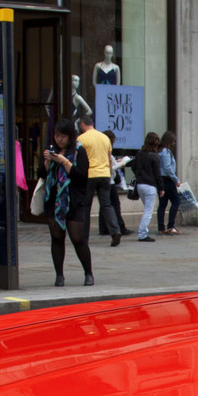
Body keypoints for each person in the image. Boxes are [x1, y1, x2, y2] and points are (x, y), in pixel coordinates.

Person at [42, 119, 95, 286]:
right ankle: (59, 275)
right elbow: (42, 175)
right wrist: (48, 162)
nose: (59, 139)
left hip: (74, 200)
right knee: (57, 238)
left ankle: (88, 272)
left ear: (70, 136)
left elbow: (81, 176)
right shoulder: (52, 151)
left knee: (78, 238)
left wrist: (64, 162)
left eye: (62, 136)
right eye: (56, 135)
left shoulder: (79, 151)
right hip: (55, 200)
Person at [76, 116, 124, 246]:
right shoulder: (105, 138)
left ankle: (83, 237)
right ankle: (115, 231)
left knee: (86, 206)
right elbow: (109, 158)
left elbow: (78, 159)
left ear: (82, 125)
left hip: (90, 175)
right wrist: (109, 175)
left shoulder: (81, 139)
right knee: (107, 205)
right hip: (104, 175)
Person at [130, 131, 161, 242]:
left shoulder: (139, 154)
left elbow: (133, 166)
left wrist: (139, 174)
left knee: (146, 209)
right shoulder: (154, 156)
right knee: (148, 211)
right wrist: (161, 188)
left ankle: (143, 232)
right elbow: (157, 174)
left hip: (140, 184)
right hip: (150, 185)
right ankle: (142, 233)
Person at [156, 130, 183, 235]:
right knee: (176, 201)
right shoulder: (165, 152)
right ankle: (171, 226)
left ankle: (161, 227)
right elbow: (167, 167)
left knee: (162, 203)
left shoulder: (160, 151)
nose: (174, 143)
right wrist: (176, 179)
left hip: (162, 180)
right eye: (173, 141)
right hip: (167, 179)